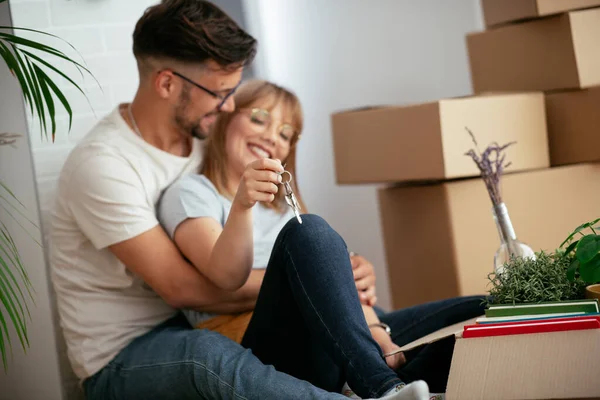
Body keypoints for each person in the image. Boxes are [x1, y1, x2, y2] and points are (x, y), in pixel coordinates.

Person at [48, 1, 483, 399]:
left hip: (245, 316)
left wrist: (338, 274)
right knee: (208, 354)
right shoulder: (104, 166)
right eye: (220, 92)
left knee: (470, 312)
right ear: (167, 83)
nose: (230, 105)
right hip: (129, 351)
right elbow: (184, 289)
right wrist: (318, 276)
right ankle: (382, 392)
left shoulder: (208, 141)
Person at [157, 79, 486, 399]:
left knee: (483, 310)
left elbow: (344, 293)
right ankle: (383, 388)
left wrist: (376, 332)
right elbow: (224, 277)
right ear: (227, 115)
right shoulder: (191, 194)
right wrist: (318, 274)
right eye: (260, 118)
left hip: (340, 335)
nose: (272, 136)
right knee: (311, 232)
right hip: (265, 343)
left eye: (285, 134)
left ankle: (392, 379)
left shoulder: (284, 208)